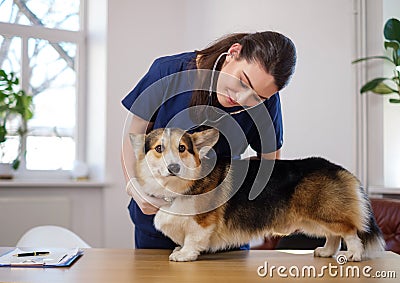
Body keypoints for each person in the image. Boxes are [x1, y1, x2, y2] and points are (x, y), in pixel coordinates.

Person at [121, 31, 297, 249]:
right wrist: (134, 187)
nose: (241, 99)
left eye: (257, 97)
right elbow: (134, 136)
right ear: (234, 52)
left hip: (225, 229)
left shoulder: (267, 101)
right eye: (243, 82)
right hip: (160, 221)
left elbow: (269, 163)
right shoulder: (169, 71)